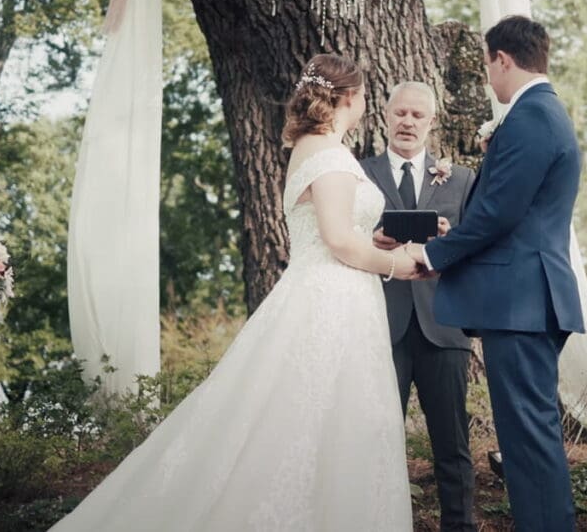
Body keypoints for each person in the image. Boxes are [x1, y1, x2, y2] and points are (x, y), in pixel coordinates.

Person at [52, 54, 418, 531]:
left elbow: (341, 232)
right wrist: (398, 265)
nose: (365, 102)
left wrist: (378, 242)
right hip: (333, 301)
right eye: (364, 94)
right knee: (325, 420)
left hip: (334, 294)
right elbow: (338, 240)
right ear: (349, 97)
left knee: (314, 422)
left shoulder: (313, 147)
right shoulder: (329, 151)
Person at [404, 15, 584, 532]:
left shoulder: (531, 118)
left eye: (488, 65)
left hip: (522, 301)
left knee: (528, 441)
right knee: (528, 439)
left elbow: (498, 212)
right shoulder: (541, 115)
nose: (488, 76)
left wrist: (433, 254)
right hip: (526, 299)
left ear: (503, 59)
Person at [363, 82, 477, 532]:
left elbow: (478, 247)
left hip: (443, 327)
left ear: (432, 122)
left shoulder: (462, 179)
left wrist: (450, 241)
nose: (408, 122)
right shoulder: (358, 173)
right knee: (374, 442)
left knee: (452, 446)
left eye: (418, 115)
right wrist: (372, 238)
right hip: (377, 326)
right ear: (385, 116)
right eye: (400, 113)